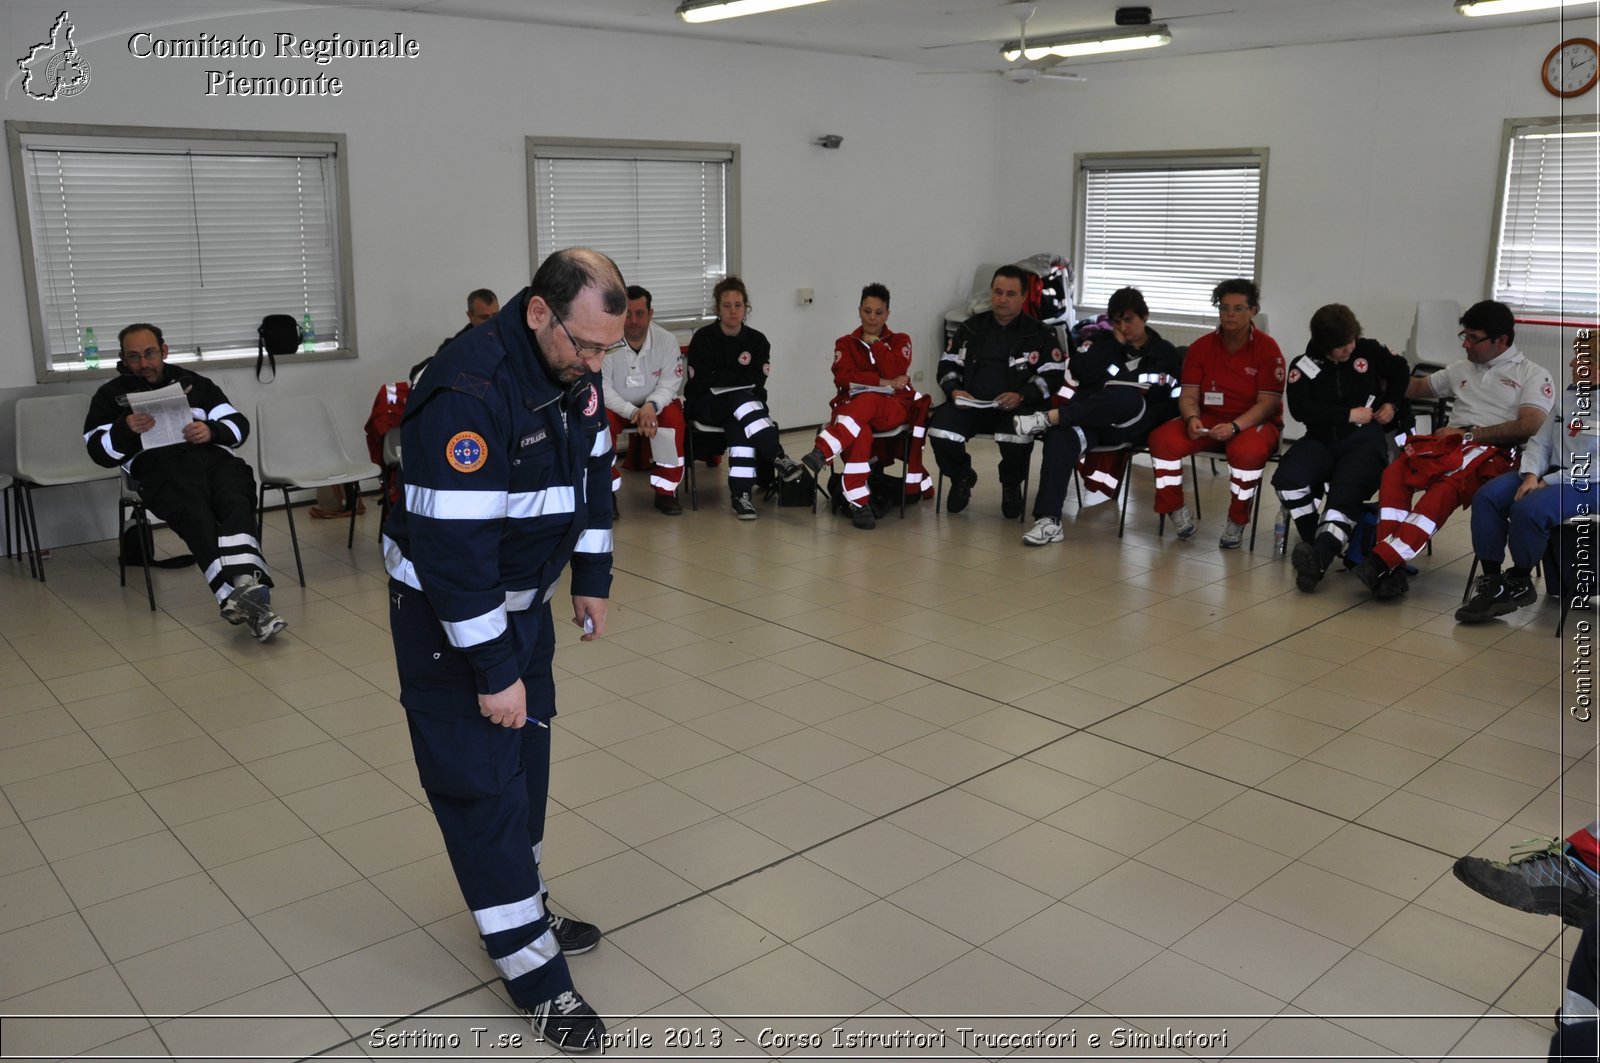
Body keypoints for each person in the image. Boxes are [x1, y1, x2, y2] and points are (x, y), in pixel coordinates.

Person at [382, 249, 621, 1053]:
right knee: (483, 787)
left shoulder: (571, 375)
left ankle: (527, 897)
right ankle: (536, 976)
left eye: (605, 352)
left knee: (530, 761)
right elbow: (454, 561)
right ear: (537, 313)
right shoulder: (467, 392)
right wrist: (493, 671)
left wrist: (591, 572)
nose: (593, 367)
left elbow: (591, 477)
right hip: (455, 626)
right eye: (584, 347)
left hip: (525, 606)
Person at [84, 323, 286, 641]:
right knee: (196, 512)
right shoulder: (109, 397)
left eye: (150, 353)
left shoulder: (195, 384)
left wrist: (212, 431)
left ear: (164, 351)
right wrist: (123, 428)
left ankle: (244, 589)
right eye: (134, 357)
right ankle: (255, 606)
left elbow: (237, 425)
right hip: (160, 471)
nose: (144, 363)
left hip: (213, 460)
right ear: (122, 358)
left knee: (236, 497)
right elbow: (99, 452)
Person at [1353, 300, 1554, 600]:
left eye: (1474, 338)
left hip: (1494, 453)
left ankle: (1381, 561)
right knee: (1397, 472)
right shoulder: (1462, 368)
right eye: (1465, 336)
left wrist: (1471, 433)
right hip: (1450, 444)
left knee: (1449, 484)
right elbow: (1416, 388)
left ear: (1501, 340)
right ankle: (1390, 564)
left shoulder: (1532, 374)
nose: (1466, 345)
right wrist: (1382, 369)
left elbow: (1531, 425)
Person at [1011, 286, 1182, 546]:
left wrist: (1152, 416)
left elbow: (1176, 401)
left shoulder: (1166, 352)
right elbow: (1080, 372)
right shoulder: (1102, 342)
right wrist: (1113, 343)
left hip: (1135, 423)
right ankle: (1049, 520)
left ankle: (1047, 418)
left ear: (1144, 316)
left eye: (1129, 320)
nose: (1123, 327)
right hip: (1092, 423)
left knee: (1126, 396)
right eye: (1116, 321)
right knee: (1060, 436)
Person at [1456, 334, 1596, 622]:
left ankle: (1519, 579)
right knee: (1487, 497)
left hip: (1589, 482)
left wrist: (1548, 482)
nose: (1571, 363)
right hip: (1549, 473)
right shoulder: (1571, 394)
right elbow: (1541, 442)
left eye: (1581, 359)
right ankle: (1493, 580)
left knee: (1528, 510)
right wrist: (1532, 474)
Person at [1273, 304, 1411, 591]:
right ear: (1324, 346)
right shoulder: (1303, 367)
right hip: (1321, 438)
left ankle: (1317, 560)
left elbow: (1400, 370)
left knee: (1343, 496)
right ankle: (1317, 544)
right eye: (1341, 347)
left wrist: (1391, 403)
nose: (1349, 349)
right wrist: (1346, 414)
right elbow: (1301, 410)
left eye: (1351, 341)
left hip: (1364, 441)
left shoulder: (1369, 350)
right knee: (1287, 480)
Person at [1146, 278, 1285, 548]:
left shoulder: (1268, 349)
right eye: (1224, 308)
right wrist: (1191, 418)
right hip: (1208, 419)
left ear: (1253, 311)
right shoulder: (1201, 347)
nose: (1230, 314)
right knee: (1161, 440)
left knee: (1246, 453)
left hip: (1252, 423)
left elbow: (1267, 404)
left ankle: (1237, 519)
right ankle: (1174, 508)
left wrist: (1234, 426)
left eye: (1238, 308)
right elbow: (1188, 395)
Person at [928, 265, 1063, 517]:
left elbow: (1053, 377)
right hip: (972, 405)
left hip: (1018, 406)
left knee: (1017, 434)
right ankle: (961, 477)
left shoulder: (1041, 334)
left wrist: (1022, 395)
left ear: (1024, 297)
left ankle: (1011, 484)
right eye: (998, 292)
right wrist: (954, 391)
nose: (1003, 299)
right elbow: (947, 365)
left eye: (1011, 294)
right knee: (939, 429)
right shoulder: (969, 329)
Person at [796, 283, 932, 529]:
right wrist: (883, 381)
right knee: (861, 428)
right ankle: (859, 502)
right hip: (853, 408)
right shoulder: (845, 343)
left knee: (867, 400)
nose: (872, 317)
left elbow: (896, 369)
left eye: (878, 312)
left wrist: (877, 345)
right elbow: (843, 378)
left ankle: (824, 449)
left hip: (891, 407)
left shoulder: (901, 340)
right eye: (867, 311)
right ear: (859, 311)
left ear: (887, 314)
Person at [684, 276, 803, 520]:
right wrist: (737, 379)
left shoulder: (757, 341)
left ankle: (742, 496)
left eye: (738, 305)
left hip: (743, 408)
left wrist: (722, 376)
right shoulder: (703, 339)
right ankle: (778, 457)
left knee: (740, 424)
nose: (733, 311)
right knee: (740, 401)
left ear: (746, 307)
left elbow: (758, 379)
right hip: (707, 404)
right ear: (718, 308)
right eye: (726, 305)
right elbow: (702, 381)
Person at [602, 285, 687, 515]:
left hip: (654, 406)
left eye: (640, 313)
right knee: (599, 424)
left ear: (651, 313)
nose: (633, 320)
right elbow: (603, 389)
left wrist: (651, 406)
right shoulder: (606, 341)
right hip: (619, 407)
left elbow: (670, 382)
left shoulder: (666, 341)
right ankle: (606, 493)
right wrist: (633, 412)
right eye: (627, 314)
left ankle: (666, 492)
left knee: (673, 419)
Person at [410, 287, 500, 385]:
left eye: (495, 315)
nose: (491, 322)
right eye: (484, 317)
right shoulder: (455, 345)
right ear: (470, 316)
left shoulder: (511, 336)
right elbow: (417, 374)